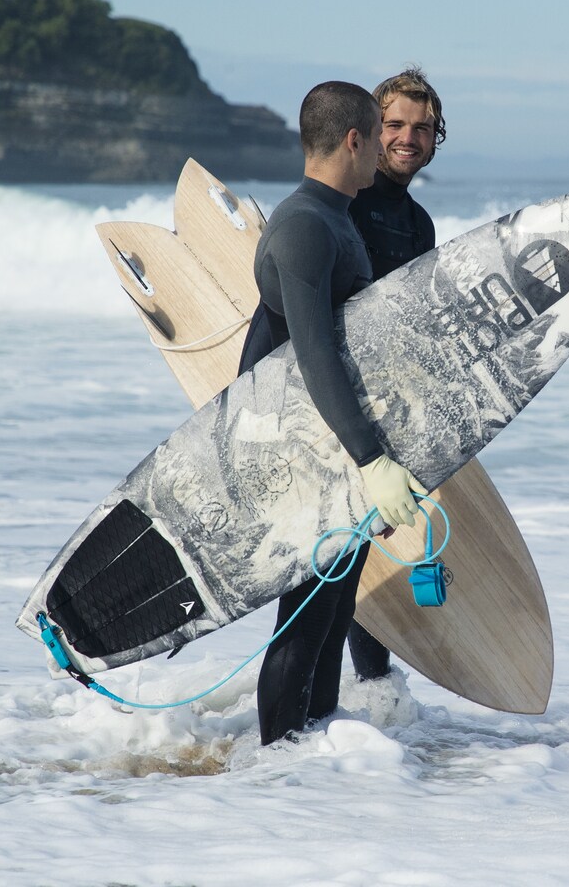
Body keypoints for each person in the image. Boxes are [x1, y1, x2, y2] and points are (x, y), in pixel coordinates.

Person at [239, 80, 425, 745]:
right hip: (299, 452)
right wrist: (373, 459)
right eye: (380, 134)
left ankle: (314, 758)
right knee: (304, 618)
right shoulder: (305, 228)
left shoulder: (335, 217)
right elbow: (315, 353)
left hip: (332, 447)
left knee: (335, 605)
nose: (387, 148)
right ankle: (277, 768)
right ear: (356, 140)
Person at [343, 67, 446, 682]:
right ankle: (331, 714)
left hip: (386, 410)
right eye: (396, 124)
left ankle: (366, 703)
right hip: (337, 409)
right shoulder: (344, 204)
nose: (410, 138)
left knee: (362, 552)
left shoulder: (419, 224)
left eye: (424, 128)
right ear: (367, 131)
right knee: (335, 558)